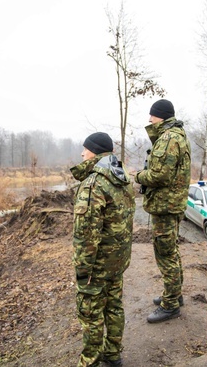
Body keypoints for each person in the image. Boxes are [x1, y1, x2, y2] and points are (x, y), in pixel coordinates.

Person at [70, 132, 135, 367]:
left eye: (85, 149)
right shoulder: (122, 178)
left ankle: (90, 361)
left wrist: (82, 271)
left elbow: (86, 235)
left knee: (90, 314)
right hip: (117, 261)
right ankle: (113, 354)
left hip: (97, 266)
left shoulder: (93, 183)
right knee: (115, 306)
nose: (81, 153)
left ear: (95, 151)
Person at [134, 99, 191, 323]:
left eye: (152, 116)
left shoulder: (168, 138)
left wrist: (137, 176)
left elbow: (159, 175)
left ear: (161, 116)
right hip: (170, 204)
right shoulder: (177, 135)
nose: (149, 120)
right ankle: (175, 295)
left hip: (166, 207)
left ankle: (170, 306)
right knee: (171, 251)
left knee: (165, 254)